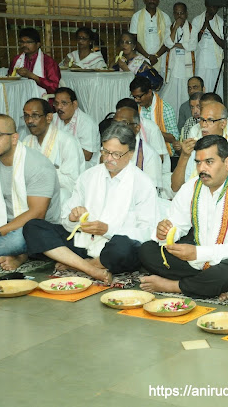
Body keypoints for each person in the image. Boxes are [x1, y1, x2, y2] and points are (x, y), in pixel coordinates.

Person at [23, 123, 157, 283]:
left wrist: (108, 230)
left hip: (112, 249)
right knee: (33, 227)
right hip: (83, 241)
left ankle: (77, 263)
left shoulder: (143, 183)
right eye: (105, 151)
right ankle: (89, 269)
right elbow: (67, 221)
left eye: (116, 154)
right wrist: (73, 218)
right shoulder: (89, 176)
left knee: (127, 248)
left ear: (130, 154)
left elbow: (147, 231)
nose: (108, 159)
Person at [139, 135, 228, 299]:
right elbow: (176, 224)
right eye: (198, 162)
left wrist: (198, 253)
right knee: (147, 250)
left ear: (227, 162)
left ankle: (174, 286)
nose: (202, 169)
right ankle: (208, 285)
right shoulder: (192, 187)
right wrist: (164, 232)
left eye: (209, 162)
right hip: (199, 258)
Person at [0, 114, 60, 270]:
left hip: (35, 226)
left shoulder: (38, 165)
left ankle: (15, 251)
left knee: (15, 242)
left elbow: (37, 213)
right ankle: (16, 254)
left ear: (14, 138)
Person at [172, 101, 228, 192]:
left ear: (223, 123)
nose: (203, 125)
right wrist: (184, 156)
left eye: (210, 120)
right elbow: (175, 187)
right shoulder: (193, 148)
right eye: (202, 120)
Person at [22, 98, 84, 205]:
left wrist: (42, 173)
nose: (29, 121)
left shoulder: (67, 141)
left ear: (49, 117)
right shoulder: (27, 141)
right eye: (26, 116)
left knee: (61, 195)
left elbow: (72, 182)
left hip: (61, 194)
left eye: (35, 115)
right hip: (32, 192)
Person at [111, 110, 163, 193]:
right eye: (115, 123)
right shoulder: (106, 149)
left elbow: (151, 192)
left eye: (124, 123)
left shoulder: (150, 155)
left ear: (137, 128)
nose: (118, 127)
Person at [50, 87, 100, 169]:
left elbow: (87, 156)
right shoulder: (53, 118)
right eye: (56, 103)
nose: (59, 107)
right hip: (58, 161)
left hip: (83, 165)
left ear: (75, 104)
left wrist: (59, 156)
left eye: (64, 103)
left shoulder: (86, 123)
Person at [161, 2, 197, 116]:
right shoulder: (169, 28)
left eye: (181, 13)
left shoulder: (192, 28)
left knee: (184, 96)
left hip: (185, 69)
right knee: (169, 97)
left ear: (186, 14)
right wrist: (175, 28)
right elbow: (168, 43)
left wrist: (176, 45)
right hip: (174, 68)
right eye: (177, 13)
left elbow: (192, 45)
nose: (179, 16)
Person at [130, 76, 178, 157]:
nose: (136, 100)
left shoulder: (165, 109)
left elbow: (174, 138)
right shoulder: (135, 108)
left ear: (149, 92)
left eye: (139, 96)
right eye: (134, 97)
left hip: (162, 153)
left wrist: (152, 132)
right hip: (140, 152)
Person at [8, 27, 60, 95]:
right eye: (22, 42)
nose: (24, 45)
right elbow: (9, 79)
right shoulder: (17, 59)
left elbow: (54, 87)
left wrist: (32, 76)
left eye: (28, 42)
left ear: (38, 44)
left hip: (43, 100)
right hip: (20, 95)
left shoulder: (48, 62)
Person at [129, 0, 170, 73]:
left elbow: (168, 40)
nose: (152, 1)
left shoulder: (165, 17)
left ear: (158, 1)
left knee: (161, 84)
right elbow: (133, 40)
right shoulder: (136, 16)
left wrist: (156, 56)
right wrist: (148, 56)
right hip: (142, 59)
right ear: (144, 0)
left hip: (160, 59)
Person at [192, 1, 225, 99]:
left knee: (215, 92)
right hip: (201, 64)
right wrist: (203, 26)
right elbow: (193, 42)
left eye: (216, 7)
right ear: (207, 5)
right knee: (200, 92)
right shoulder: (197, 20)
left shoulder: (221, 22)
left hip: (215, 64)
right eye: (212, 6)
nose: (214, 9)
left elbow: (224, 44)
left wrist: (209, 28)